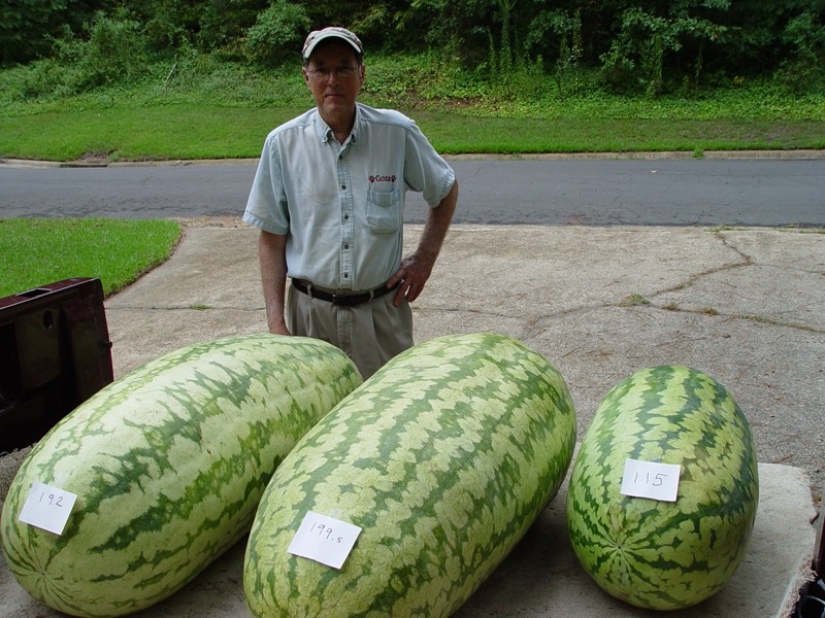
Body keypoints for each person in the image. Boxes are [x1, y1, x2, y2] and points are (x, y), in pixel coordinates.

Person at [243, 26, 458, 379]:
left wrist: (424, 260)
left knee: (389, 419)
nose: (333, 80)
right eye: (321, 69)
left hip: (380, 319)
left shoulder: (396, 134)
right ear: (306, 77)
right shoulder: (282, 145)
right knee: (316, 424)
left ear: (362, 74)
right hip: (310, 320)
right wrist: (276, 323)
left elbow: (445, 189)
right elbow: (271, 237)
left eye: (344, 68)